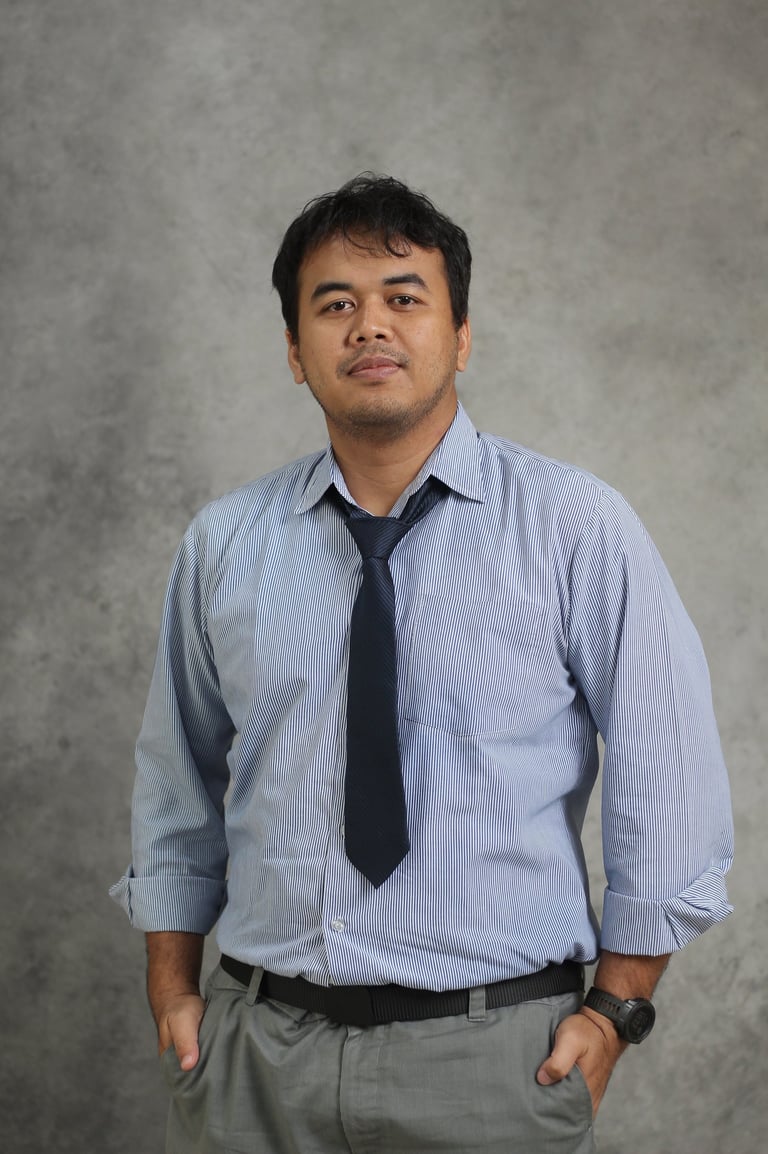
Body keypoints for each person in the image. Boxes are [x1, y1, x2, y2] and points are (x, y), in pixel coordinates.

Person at [111, 174, 733, 1153]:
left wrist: (617, 1010)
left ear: (462, 334)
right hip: (257, 1061)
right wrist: (173, 993)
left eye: (404, 297)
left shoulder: (577, 528)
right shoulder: (224, 544)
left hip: (496, 1060)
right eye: (335, 305)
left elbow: (670, 775)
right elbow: (175, 781)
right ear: (294, 351)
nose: (370, 325)